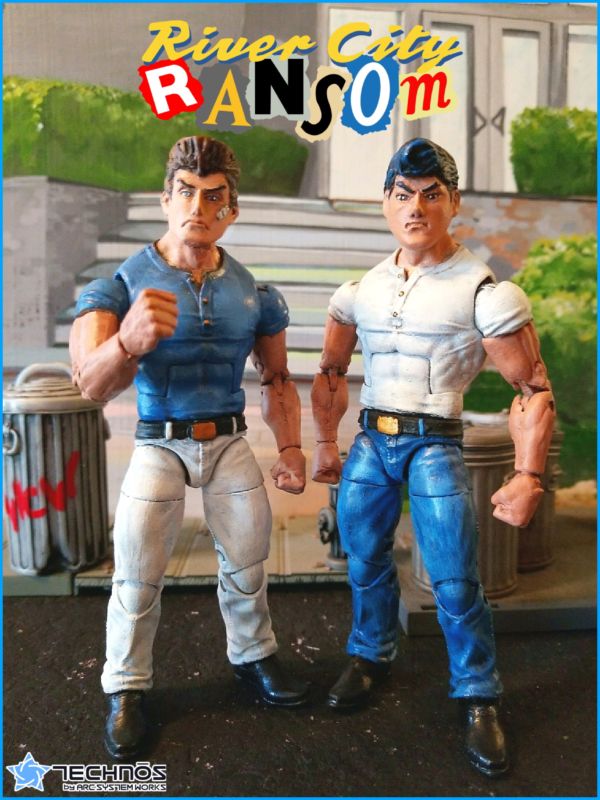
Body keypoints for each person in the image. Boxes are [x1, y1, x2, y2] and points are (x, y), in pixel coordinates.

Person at [311, 138, 555, 777]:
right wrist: (325, 442)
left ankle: (477, 692)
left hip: (433, 440)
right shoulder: (361, 290)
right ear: (385, 203)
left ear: (453, 202)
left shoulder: (483, 291)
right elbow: (332, 370)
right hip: (372, 439)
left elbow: (532, 387)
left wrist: (528, 474)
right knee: (363, 555)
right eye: (402, 195)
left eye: (430, 195)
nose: (415, 208)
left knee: (452, 575)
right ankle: (370, 653)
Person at [70, 136, 309, 761]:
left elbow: (277, 379)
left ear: (232, 210)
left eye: (212, 197)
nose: (197, 207)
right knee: (137, 570)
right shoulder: (121, 285)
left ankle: (253, 655)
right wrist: (126, 342)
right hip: (160, 440)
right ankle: (126, 685)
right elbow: (88, 383)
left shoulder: (252, 291)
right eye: (185, 192)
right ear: (164, 199)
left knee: (249, 558)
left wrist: (290, 447)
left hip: (227, 439)